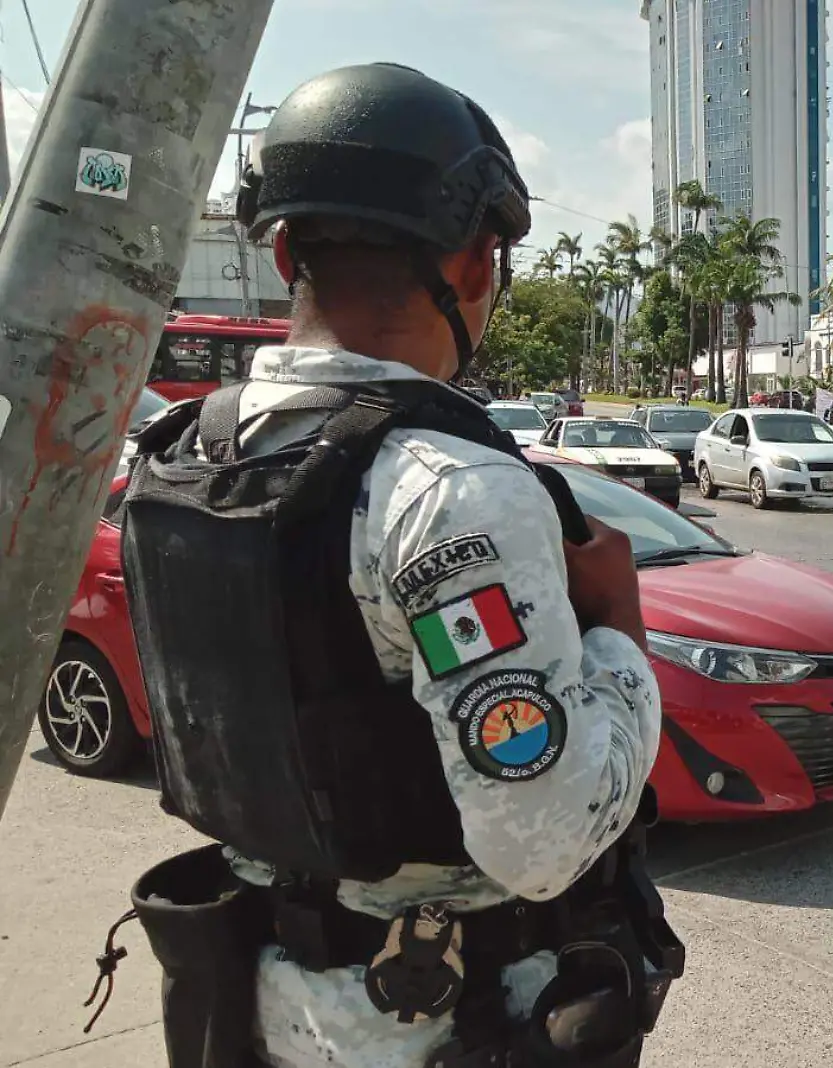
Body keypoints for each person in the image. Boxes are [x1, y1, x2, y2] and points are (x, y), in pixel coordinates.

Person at [113, 64, 679, 1067]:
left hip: (254, 1002)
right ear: (476, 263)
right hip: (448, 1023)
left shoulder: (188, 454)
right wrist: (620, 634)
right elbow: (539, 841)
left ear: (285, 248)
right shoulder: (452, 490)